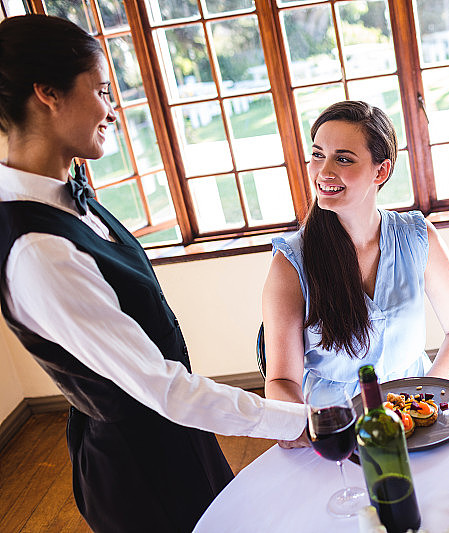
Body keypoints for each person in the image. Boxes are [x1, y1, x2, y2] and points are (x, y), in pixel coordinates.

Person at [0, 14, 307, 532]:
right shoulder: (37, 250)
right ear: (48, 94)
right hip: (141, 471)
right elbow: (159, 386)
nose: (112, 111)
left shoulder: (69, 196)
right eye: (100, 91)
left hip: (175, 433)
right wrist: (296, 419)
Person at [261, 100, 449, 447]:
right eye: (317, 155)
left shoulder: (418, 236)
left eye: (343, 159)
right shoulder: (290, 262)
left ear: (380, 171)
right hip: (340, 430)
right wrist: (310, 428)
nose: (323, 172)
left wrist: (429, 397)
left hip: (420, 417)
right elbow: (281, 381)